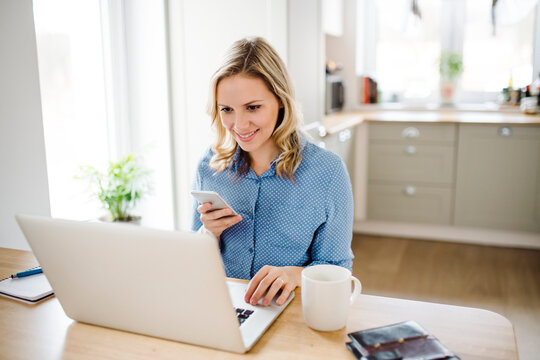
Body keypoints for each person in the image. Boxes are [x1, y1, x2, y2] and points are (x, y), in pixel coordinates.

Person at [191, 37, 353, 308]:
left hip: (291, 312)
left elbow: (338, 269)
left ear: (280, 101)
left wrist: (294, 274)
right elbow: (193, 258)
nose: (239, 124)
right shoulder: (209, 166)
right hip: (221, 309)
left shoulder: (327, 172)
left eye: (253, 107)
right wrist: (209, 234)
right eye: (227, 110)